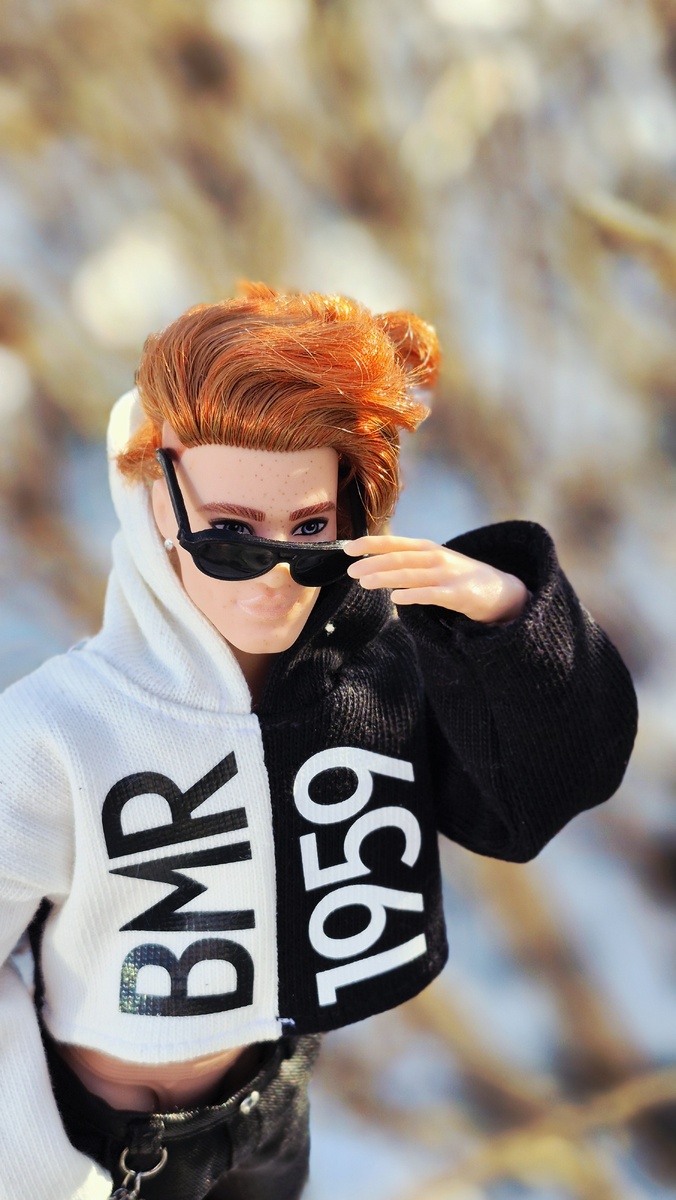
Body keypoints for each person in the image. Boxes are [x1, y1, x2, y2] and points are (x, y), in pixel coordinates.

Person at [0, 282, 637, 1200]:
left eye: (310, 533)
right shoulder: (59, 728)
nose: (274, 576)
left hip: (273, 1103)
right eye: (230, 538)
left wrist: (504, 621)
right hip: (99, 1134)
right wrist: (32, 1165)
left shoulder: (375, 677)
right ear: (154, 506)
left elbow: (539, 794)